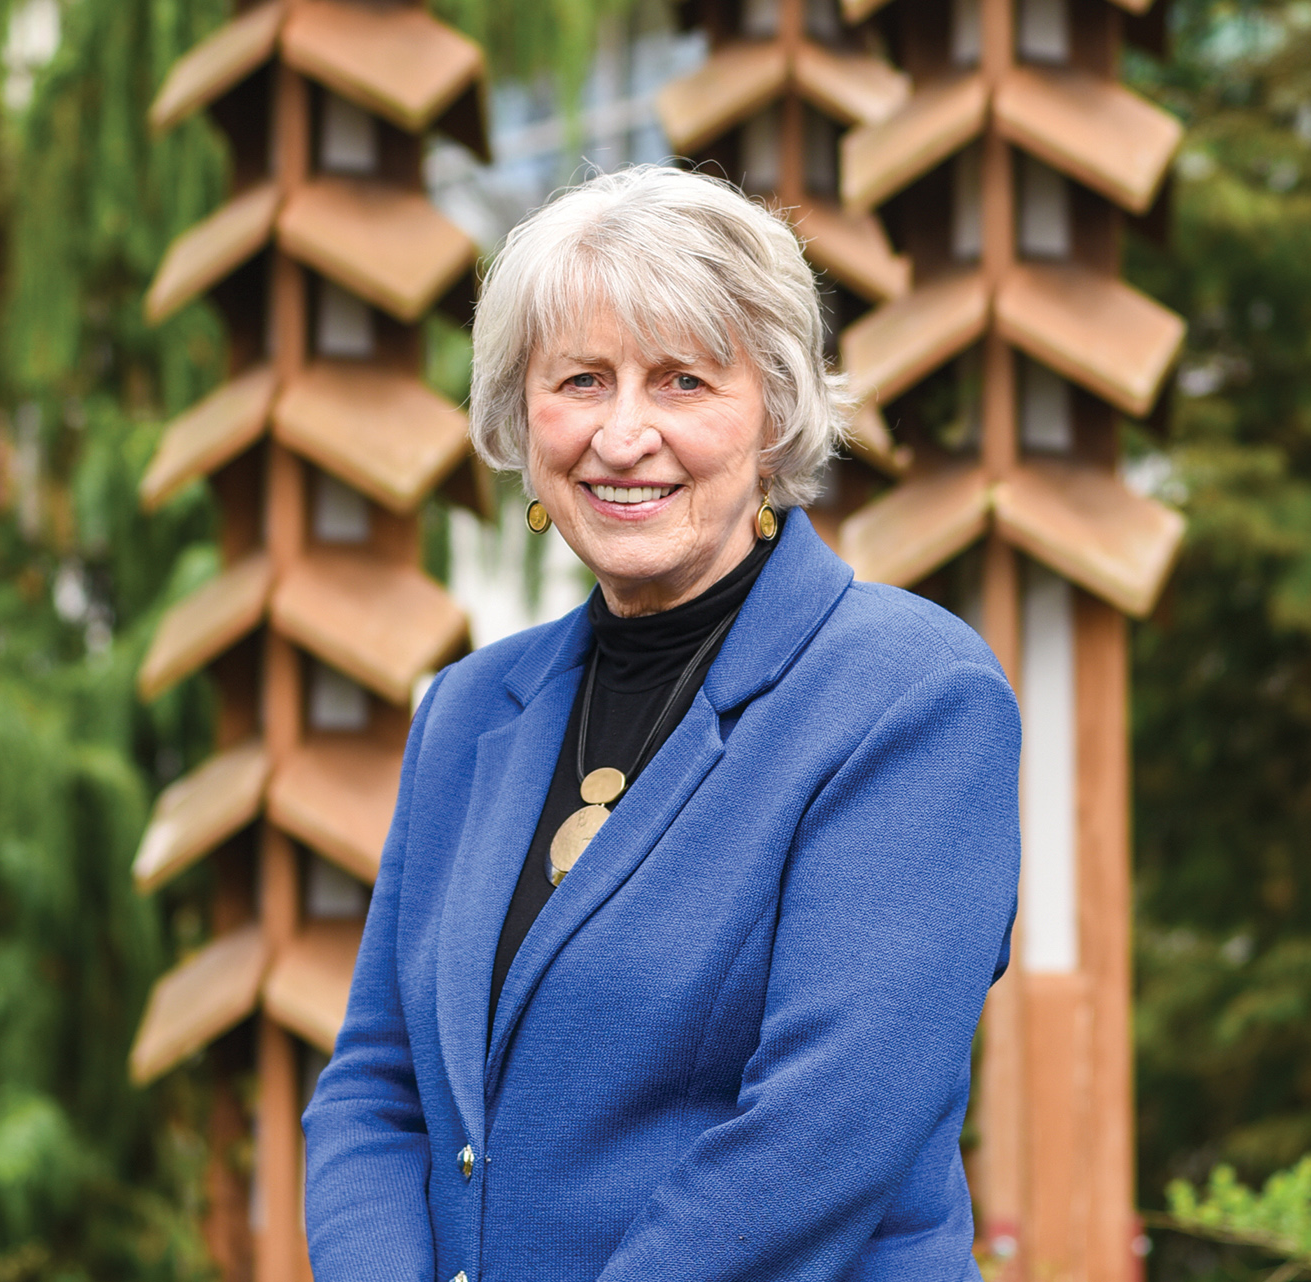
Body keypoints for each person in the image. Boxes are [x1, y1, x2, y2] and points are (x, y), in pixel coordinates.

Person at [302, 165, 1021, 1281]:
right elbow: (376, 1087)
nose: (623, 434)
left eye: (683, 382)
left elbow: (827, 1131)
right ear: (521, 417)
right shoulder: (464, 712)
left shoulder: (909, 694)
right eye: (581, 380)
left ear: (775, 411)